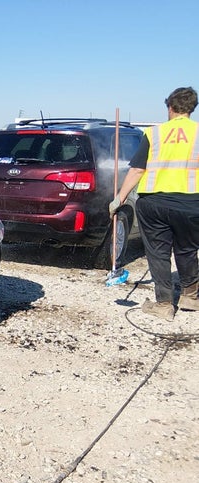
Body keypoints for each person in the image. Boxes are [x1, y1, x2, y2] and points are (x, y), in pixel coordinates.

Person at [111, 86, 199, 321]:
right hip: (191, 202)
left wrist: (119, 198)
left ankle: (163, 305)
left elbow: (138, 169)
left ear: (170, 107)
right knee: (187, 249)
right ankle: (190, 296)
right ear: (192, 108)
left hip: (154, 202)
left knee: (158, 253)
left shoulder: (154, 133)